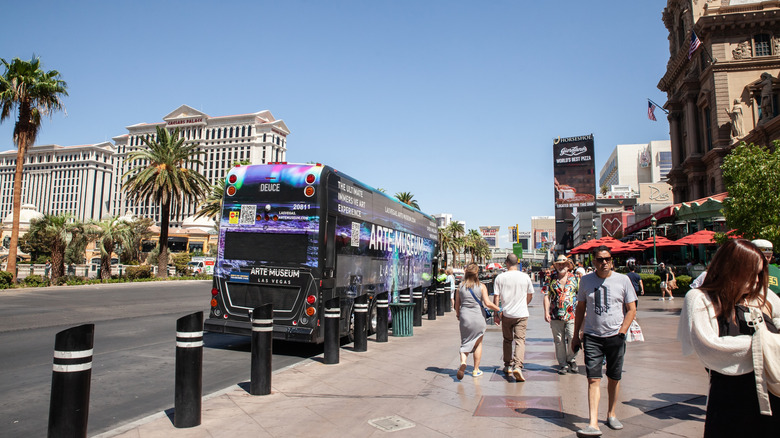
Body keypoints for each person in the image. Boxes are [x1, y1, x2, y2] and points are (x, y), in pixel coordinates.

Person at [678, 239, 780, 436]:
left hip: (772, 392)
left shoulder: (763, 297)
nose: (758, 281)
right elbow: (709, 346)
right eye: (752, 274)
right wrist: (766, 344)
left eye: (760, 274)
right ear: (731, 269)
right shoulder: (700, 298)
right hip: (731, 399)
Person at [571, 246, 637, 437]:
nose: (604, 262)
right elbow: (580, 309)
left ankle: (611, 413)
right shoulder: (585, 281)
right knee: (593, 378)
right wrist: (576, 335)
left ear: (612, 260)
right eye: (600, 259)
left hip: (615, 336)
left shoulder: (623, 280)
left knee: (614, 377)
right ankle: (592, 422)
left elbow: (631, 309)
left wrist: (622, 332)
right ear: (594, 262)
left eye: (607, 259)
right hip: (592, 336)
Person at [454, 263, 501, 380]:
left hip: (465, 316)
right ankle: (476, 370)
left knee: (465, 342)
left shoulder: (460, 286)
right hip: (478, 316)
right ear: (477, 274)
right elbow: (487, 303)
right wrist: (499, 309)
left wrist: (458, 315)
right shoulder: (481, 286)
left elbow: (457, 304)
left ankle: (463, 361)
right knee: (478, 343)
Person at [492, 253, 534, 381]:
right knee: (520, 340)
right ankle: (518, 366)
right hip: (521, 314)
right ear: (517, 263)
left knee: (507, 340)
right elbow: (530, 294)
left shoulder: (500, 277)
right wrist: (523, 304)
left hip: (506, 313)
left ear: (507, 263)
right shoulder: (525, 277)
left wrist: (496, 313)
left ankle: (508, 365)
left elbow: (496, 297)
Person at [544, 254, 579, 374]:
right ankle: (563, 364)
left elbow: (580, 296)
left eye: (563, 264)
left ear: (568, 266)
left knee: (572, 337)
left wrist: (582, 312)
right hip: (555, 314)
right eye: (559, 264)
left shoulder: (575, 278)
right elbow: (546, 296)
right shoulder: (551, 278)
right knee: (559, 340)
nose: (561, 266)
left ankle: (571, 359)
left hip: (572, 314)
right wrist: (546, 312)